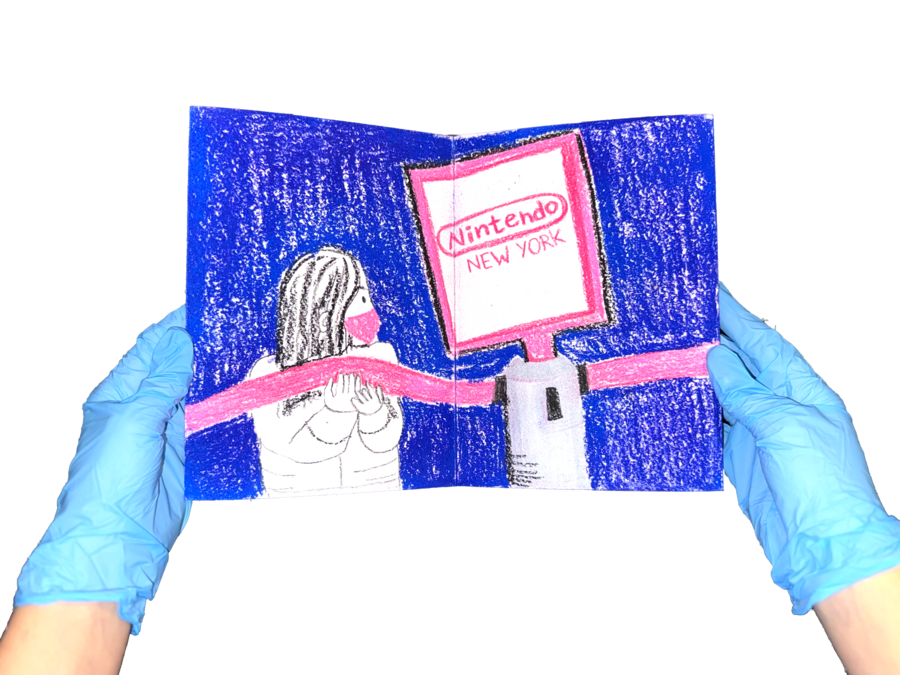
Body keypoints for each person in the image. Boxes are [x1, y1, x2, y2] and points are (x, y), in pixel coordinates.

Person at [1, 282, 898, 674]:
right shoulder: (281, 378)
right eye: (353, 305)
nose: (370, 319)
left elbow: (438, 397)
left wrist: (852, 561)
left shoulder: (387, 366)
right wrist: (90, 561)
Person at [246, 246, 404, 497]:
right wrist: (335, 415)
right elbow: (291, 446)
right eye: (362, 300)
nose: (373, 314)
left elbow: (387, 440)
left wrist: (375, 414)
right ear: (323, 319)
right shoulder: (268, 378)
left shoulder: (380, 359)